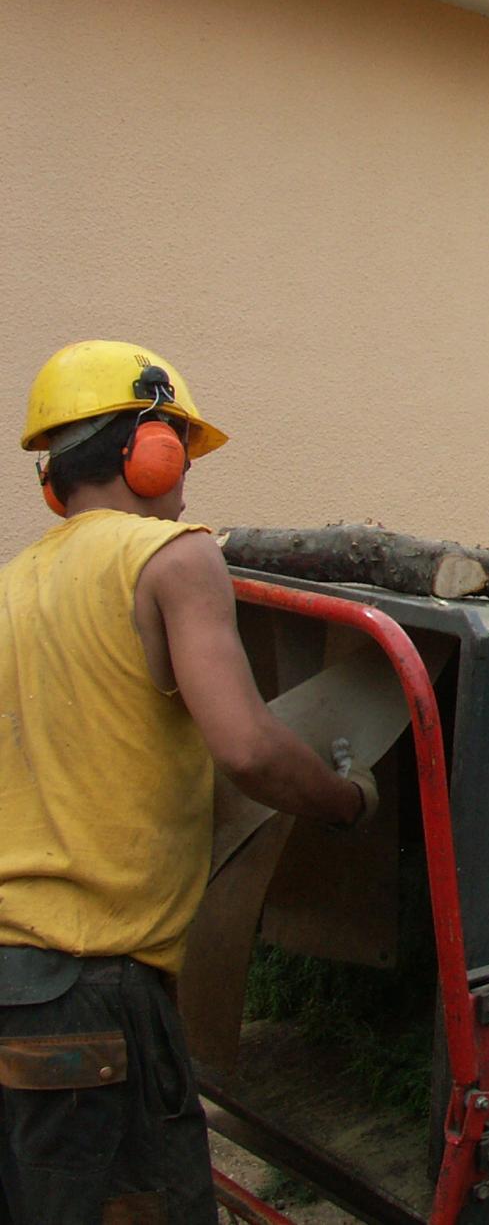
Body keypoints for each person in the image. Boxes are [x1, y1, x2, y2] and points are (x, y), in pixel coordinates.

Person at [0, 341, 376, 1225]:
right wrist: (344, 802)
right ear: (147, 446)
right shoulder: (174, 558)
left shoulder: (13, 585)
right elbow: (245, 748)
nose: (185, 479)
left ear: (56, 478)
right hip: (95, 991)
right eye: (180, 449)